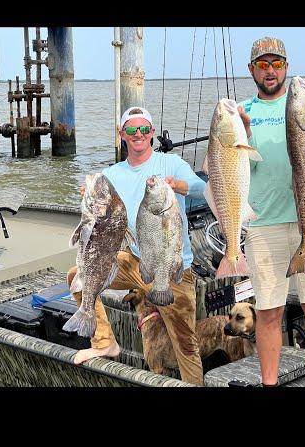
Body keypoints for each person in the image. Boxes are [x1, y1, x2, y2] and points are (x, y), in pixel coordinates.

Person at [67, 106, 206, 386]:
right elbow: (95, 211)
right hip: (135, 262)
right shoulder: (112, 174)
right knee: (77, 278)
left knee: (186, 346)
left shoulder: (171, 163)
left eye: (144, 129)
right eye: (131, 130)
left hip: (171, 268)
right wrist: (87, 195)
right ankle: (105, 341)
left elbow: (200, 187)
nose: (138, 134)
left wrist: (176, 185)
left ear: (152, 133)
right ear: (122, 135)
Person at [237, 37, 305, 387]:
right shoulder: (242, 112)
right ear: (251, 69)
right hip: (263, 223)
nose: (270, 71)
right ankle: (269, 383)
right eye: (262, 65)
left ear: (286, 67)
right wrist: (243, 135)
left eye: (277, 64)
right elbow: (234, 173)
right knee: (268, 312)